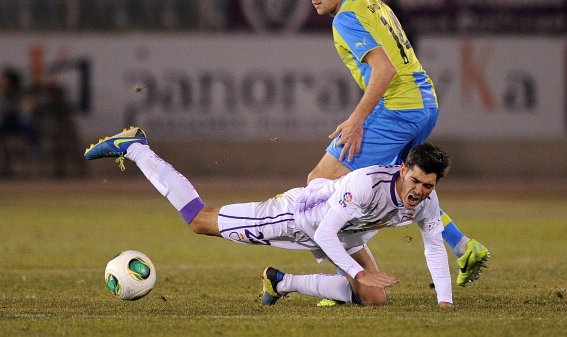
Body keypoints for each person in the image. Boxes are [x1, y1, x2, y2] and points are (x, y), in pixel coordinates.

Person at [84, 127, 455, 308]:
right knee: (200, 220)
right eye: (416, 180)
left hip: (343, 234)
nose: (420, 190)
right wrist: (358, 271)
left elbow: (434, 245)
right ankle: (135, 147)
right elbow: (325, 234)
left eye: (428, 185)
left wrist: (445, 301)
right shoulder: (366, 184)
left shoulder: (427, 201)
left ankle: (281, 282)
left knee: (374, 299)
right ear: (403, 169)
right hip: (295, 218)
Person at [298, 0, 488, 288]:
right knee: (406, 186)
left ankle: (354, 283)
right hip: (425, 103)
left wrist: (357, 120)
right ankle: (463, 246)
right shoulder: (372, 4)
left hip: (397, 109)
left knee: (319, 182)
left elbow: (385, 70)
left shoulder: (344, 19)